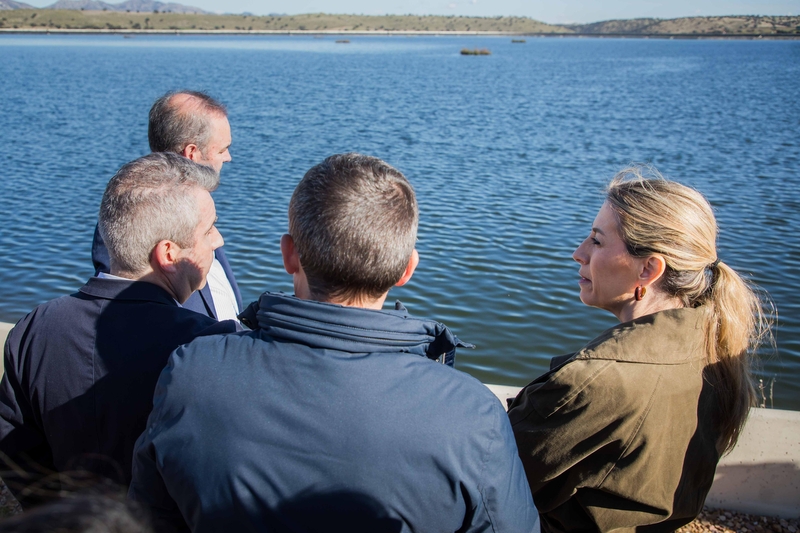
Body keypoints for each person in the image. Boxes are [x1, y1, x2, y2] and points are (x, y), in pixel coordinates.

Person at [128, 153, 540, 533]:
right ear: (406, 269)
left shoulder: (192, 373)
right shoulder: (469, 414)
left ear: (289, 255)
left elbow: (150, 516)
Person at [508, 166, 771, 533]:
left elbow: (493, 475)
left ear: (648, 269)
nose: (577, 253)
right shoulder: (713, 344)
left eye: (597, 242)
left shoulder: (595, 381)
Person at [0, 153, 239, 508]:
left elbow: (13, 443)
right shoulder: (206, 344)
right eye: (209, 229)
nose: (218, 241)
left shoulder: (36, 327)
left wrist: (58, 514)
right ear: (169, 254)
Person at [91, 90, 242, 321]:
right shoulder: (131, 218)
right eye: (222, 149)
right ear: (191, 153)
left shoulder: (201, 211)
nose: (228, 157)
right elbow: (123, 313)